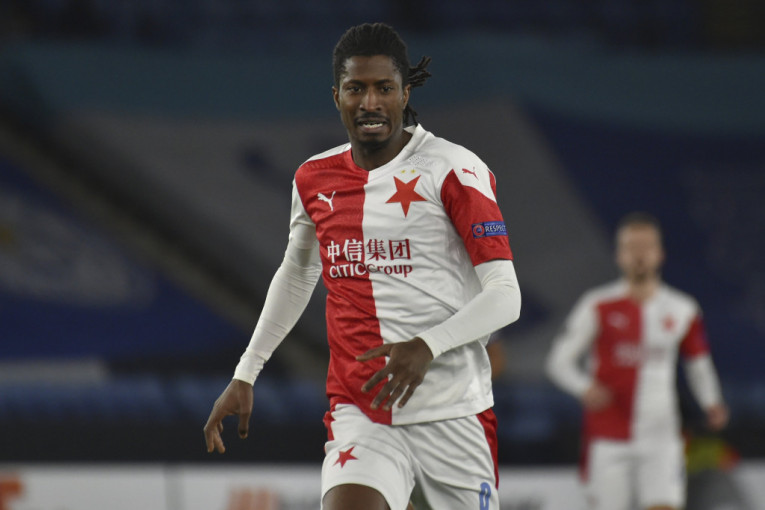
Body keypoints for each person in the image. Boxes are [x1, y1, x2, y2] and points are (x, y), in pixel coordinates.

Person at [203, 22, 521, 510]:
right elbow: (298, 274)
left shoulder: (453, 169)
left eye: (384, 88)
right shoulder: (313, 178)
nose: (370, 102)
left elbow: (505, 295)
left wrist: (426, 346)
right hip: (362, 411)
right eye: (356, 88)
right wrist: (247, 371)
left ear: (405, 93)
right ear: (337, 96)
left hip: (454, 412)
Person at [545, 211, 729, 510]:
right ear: (619, 255)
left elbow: (699, 364)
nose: (640, 255)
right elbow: (558, 361)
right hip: (608, 436)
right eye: (632, 247)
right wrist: (584, 388)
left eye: (646, 247)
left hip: (662, 435)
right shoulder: (597, 305)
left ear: (660, 254)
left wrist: (712, 402)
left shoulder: (682, 309)